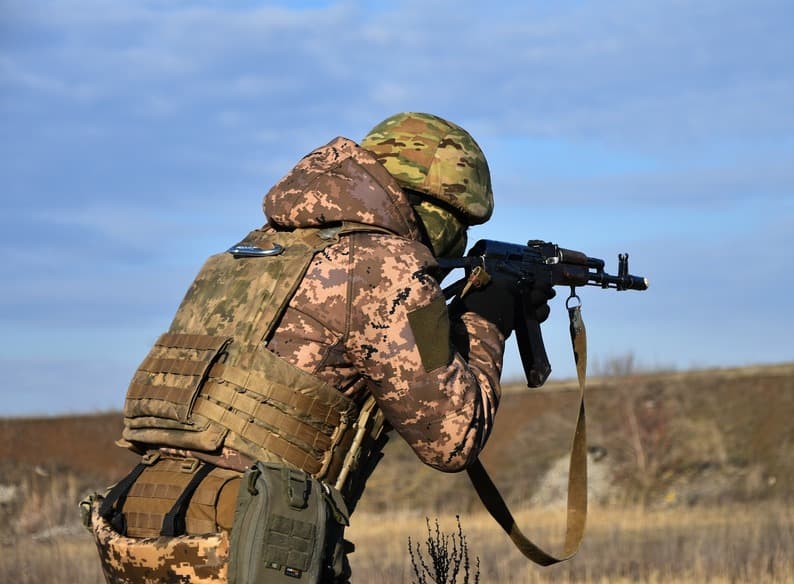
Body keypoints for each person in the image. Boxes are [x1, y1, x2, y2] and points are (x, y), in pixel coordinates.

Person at [82, 112, 554, 583]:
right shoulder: (386, 264)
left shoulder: (252, 252)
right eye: (460, 226)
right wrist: (487, 318)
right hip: (243, 540)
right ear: (432, 209)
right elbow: (451, 438)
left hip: (145, 525)